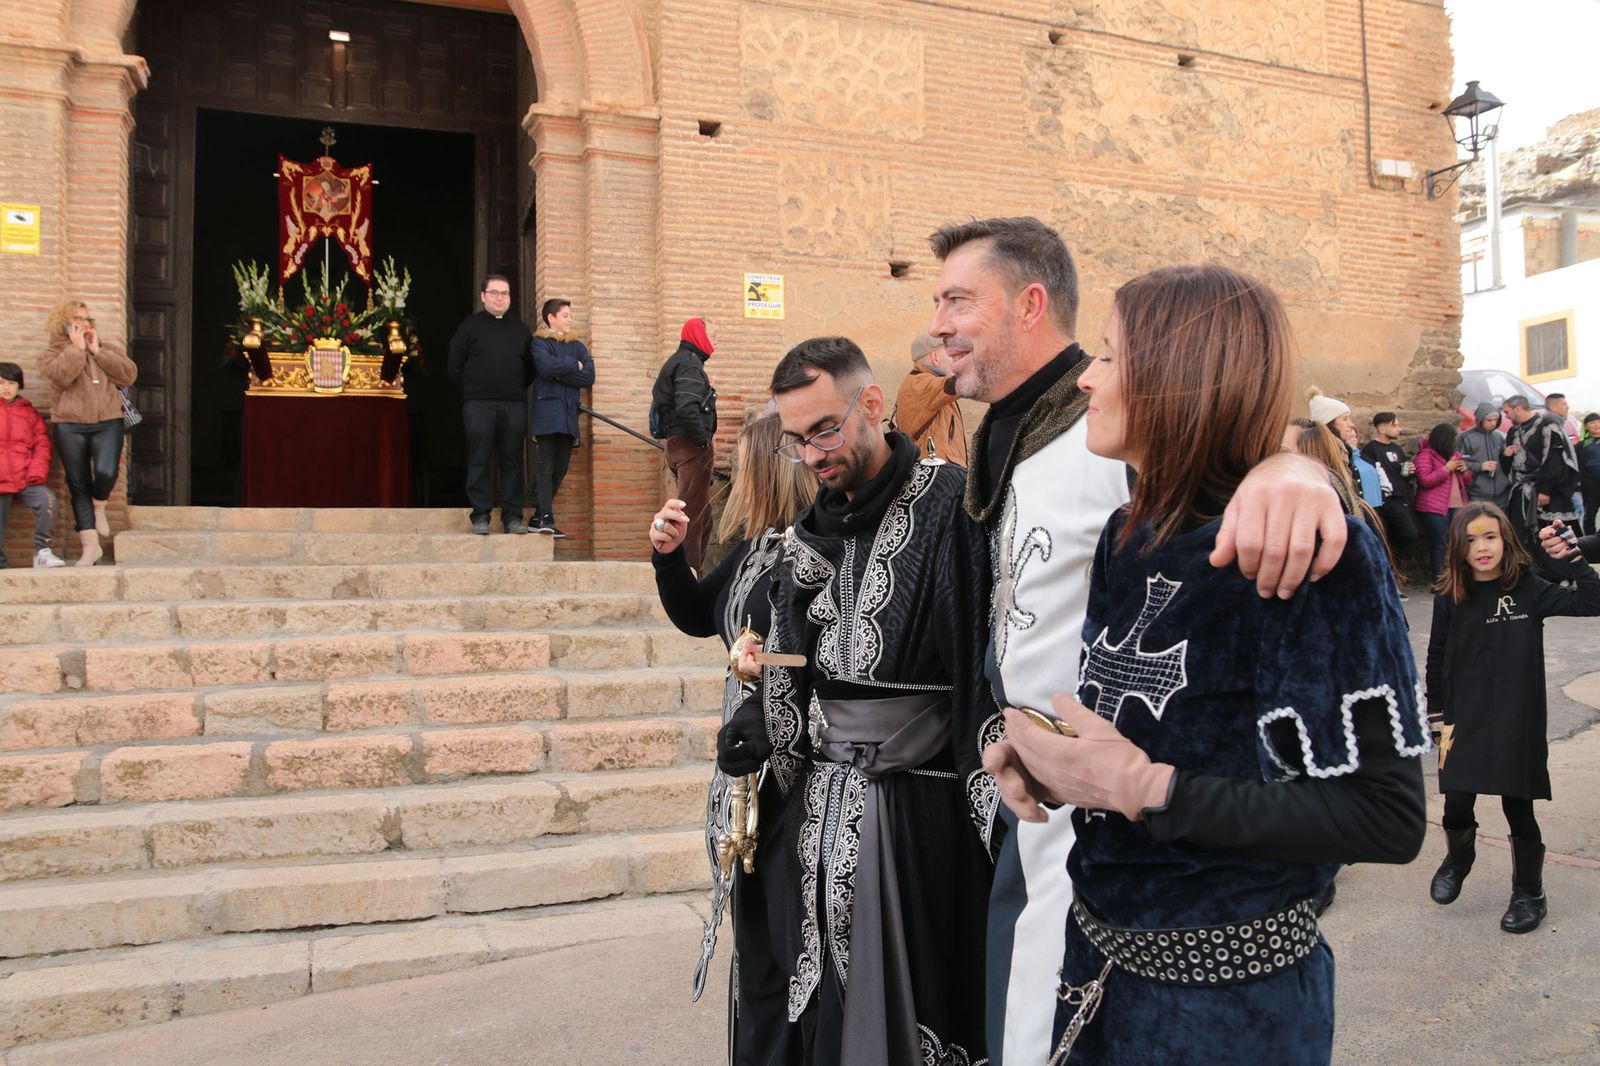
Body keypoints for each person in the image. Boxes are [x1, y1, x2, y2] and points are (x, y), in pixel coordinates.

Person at [927, 217, 1351, 1066]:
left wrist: (1293, 470)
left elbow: (1224, 475)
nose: (936, 321)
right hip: (1032, 802)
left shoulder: (1101, 432)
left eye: (956, 299)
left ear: (1029, 304)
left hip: (1134, 846)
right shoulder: (1007, 432)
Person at [756, 336, 997, 1065]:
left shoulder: (953, 504)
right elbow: (789, 670)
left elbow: (982, 668)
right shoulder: (808, 533)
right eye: (795, 441)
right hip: (823, 816)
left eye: (823, 431)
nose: (811, 457)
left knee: (927, 1006)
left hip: (929, 815)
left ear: (870, 403)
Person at [649, 410, 813, 1066]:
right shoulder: (757, 544)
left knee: (783, 948)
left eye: (745, 465)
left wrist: (766, 670)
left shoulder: (813, 547)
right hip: (743, 773)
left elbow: (823, 657)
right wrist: (666, 558)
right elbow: (698, 614)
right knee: (755, 951)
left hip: (793, 771)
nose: (735, 478)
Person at [1424, 502, 1600, 933]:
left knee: (1517, 807)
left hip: (1515, 718)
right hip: (1463, 717)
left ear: (1505, 540)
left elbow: (1593, 600)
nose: (1482, 548)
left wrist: (1570, 557)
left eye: (1490, 537)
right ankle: (1460, 856)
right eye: (1470, 540)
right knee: (1457, 800)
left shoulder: (1529, 589)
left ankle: (1529, 892)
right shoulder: (1451, 594)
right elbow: (1436, 654)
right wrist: (1435, 714)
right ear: (1457, 549)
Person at [38, 300, 137, 566]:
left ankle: (100, 505)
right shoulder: (53, 353)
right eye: (77, 319)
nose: (84, 323)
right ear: (64, 324)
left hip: (108, 421)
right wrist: (77, 350)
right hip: (69, 424)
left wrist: (97, 350)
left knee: (106, 472)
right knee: (78, 482)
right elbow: (60, 377)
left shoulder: (106, 348)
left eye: (86, 318)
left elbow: (128, 375)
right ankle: (90, 547)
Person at [448, 275, 533, 535]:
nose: (499, 298)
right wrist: (472, 392)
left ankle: (512, 517)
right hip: (479, 404)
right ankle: (481, 516)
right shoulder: (469, 328)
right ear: (483, 296)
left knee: (512, 461)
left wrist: (513, 389)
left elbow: (530, 369)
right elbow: (454, 366)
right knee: (479, 460)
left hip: (513, 405)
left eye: (504, 294)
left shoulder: (520, 330)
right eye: (494, 293)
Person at [651, 317, 719, 571]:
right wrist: (702, 440)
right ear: (698, 334)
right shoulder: (689, 364)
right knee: (692, 516)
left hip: (678, 443)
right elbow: (687, 406)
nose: (715, 340)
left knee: (704, 515)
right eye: (712, 333)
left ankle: (693, 569)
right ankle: (688, 575)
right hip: (691, 445)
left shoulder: (681, 362)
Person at [529, 298, 594, 538]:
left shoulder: (577, 345)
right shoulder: (539, 343)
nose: (570, 319)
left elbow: (588, 377)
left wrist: (562, 372)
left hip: (568, 415)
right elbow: (545, 369)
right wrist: (572, 366)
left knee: (561, 468)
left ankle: (537, 515)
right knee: (546, 465)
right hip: (547, 414)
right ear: (551, 318)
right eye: (565, 315)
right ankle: (546, 515)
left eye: (569, 315)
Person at [1502, 394, 1581, 571]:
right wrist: (1505, 456)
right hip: (1520, 490)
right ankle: (1529, 572)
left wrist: (1545, 490)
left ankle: (1558, 575)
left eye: (1507, 412)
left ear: (1519, 408)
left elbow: (1554, 459)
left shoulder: (1547, 426)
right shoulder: (1513, 431)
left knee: (1549, 534)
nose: (1505, 416)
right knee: (1520, 534)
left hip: (1547, 491)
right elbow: (1510, 465)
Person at [0, 362, 66, 568]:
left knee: (48, 501)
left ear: (19, 386)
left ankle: (42, 552)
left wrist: (35, 473)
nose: (6, 388)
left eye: (12, 383)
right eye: (1, 383)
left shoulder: (30, 414)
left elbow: (42, 446)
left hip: (25, 478)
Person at [890, 335, 967, 465]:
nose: (955, 361)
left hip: (943, 473)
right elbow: (956, 385)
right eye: (951, 355)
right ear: (935, 358)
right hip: (936, 474)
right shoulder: (919, 383)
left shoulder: (928, 385)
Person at [1308, 387, 1386, 510]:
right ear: (1330, 423)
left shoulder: (1345, 452)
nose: (1351, 424)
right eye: (1345, 419)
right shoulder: (1320, 455)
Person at [1414, 422, 1471, 577]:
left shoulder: (1455, 456)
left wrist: (1465, 472)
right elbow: (1425, 480)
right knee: (1440, 543)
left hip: (1458, 505)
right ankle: (1439, 578)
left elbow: (1466, 482)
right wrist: (1447, 468)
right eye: (1452, 441)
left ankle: (1456, 576)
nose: (1455, 445)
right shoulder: (1425, 455)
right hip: (1434, 508)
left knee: (1458, 542)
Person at [1361, 412, 1421, 556]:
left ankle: (1393, 560)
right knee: (1410, 532)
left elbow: (1400, 471)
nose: (1398, 429)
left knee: (1409, 533)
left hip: (1403, 498)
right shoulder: (1371, 448)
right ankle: (1391, 555)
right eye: (1394, 425)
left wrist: (1408, 471)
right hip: (1388, 500)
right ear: (1382, 428)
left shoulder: (1397, 448)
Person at [1457, 403, 1511, 510]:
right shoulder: (1466, 437)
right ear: (1480, 419)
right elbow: (1458, 463)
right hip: (1477, 494)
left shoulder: (1498, 436)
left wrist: (1505, 455)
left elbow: (1502, 461)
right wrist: (1480, 466)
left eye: (1496, 420)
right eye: (1489, 420)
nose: (1493, 423)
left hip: (1501, 494)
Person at [1579, 412, 1600, 537]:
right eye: (1592, 422)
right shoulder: (1582, 445)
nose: (1596, 425)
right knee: (1589, 516)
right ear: (1586, 427)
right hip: (1591, 486)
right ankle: (1590, 542)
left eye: (1598, 421)